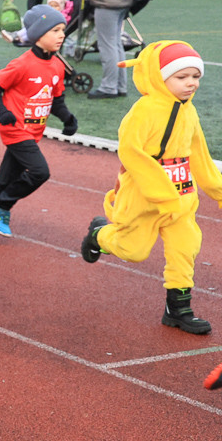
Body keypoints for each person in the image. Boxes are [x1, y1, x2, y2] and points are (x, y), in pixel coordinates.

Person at [81, 41, 222, 338]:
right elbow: (131, 153)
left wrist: (218, 191)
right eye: (181, 77)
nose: (191, 83)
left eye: (195, 77)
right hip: (145, 198)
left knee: (185, 249)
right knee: (133, 251)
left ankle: (178, 310)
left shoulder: (189, 112)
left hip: (182, 200)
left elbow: (199, 154)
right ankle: (99, 234)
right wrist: (162, 195)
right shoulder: (143, 111)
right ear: (160, 77)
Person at [0, 5, 78, 238]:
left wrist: (68, 119)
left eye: (63, 30)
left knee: (5, 179)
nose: (61, 35)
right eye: (55, 30)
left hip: (33, 131)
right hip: (15, 129)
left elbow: (56, 101)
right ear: (38, 34)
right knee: (40, 172)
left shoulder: (57, 66)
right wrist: (2, 112)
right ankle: (2, 206)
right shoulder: (22, 64)